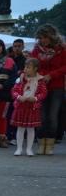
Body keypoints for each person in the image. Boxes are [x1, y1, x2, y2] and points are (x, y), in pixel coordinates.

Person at [31, 24, 65, 155]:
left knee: (52, 116)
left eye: (45, 37)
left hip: (56, 86)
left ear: (52, 36)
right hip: (40, 86)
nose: (43, 40)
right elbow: (33, 64)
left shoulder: (61, 49)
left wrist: (52, 75)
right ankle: (41, 142)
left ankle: (50, 144)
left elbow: (64, 67)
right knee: (41, 116)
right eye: (40, 38)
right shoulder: (36, 50)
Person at [11, 58, 47, 156]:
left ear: (35, 68)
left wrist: (35, 98)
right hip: (21, 106)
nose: (25, 69)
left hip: (33, 107)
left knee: (31, 129)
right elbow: (14, 91)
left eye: (28, 67)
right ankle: (19, 148)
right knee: (20, 128)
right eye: (25, 67)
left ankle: (29, 149)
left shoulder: (40, 80)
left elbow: (43, 93)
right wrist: (19, 97)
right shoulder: (21, 79)